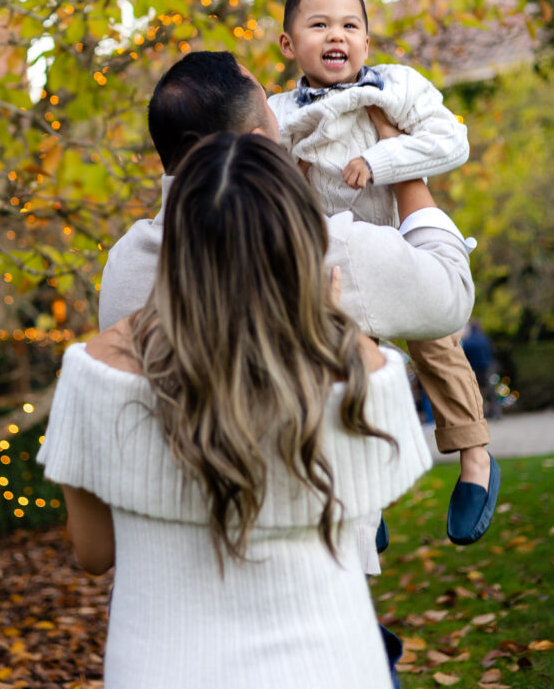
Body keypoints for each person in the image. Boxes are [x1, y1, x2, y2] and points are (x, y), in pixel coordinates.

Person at [39, 132, 434, 688]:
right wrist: (329, 320)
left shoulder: (93, 373)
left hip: (163, 668)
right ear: (301, 242)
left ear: (177, 240)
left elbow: (93, 551)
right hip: (333, 666)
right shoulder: (360, 370)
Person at [269, 0, 500, 544]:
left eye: (350, 25)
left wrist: (383, 158)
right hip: (328, 267)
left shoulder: (394, 86)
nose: (335, 36)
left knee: (437, 343)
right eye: (318, 25)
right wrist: (292, 144)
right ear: (288, 44)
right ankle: (361, 493)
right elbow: (260, 176)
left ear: (368, 43)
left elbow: (452, 141)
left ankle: (475, 456)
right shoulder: (277, 111)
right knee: (335, 369)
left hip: (394, 246)